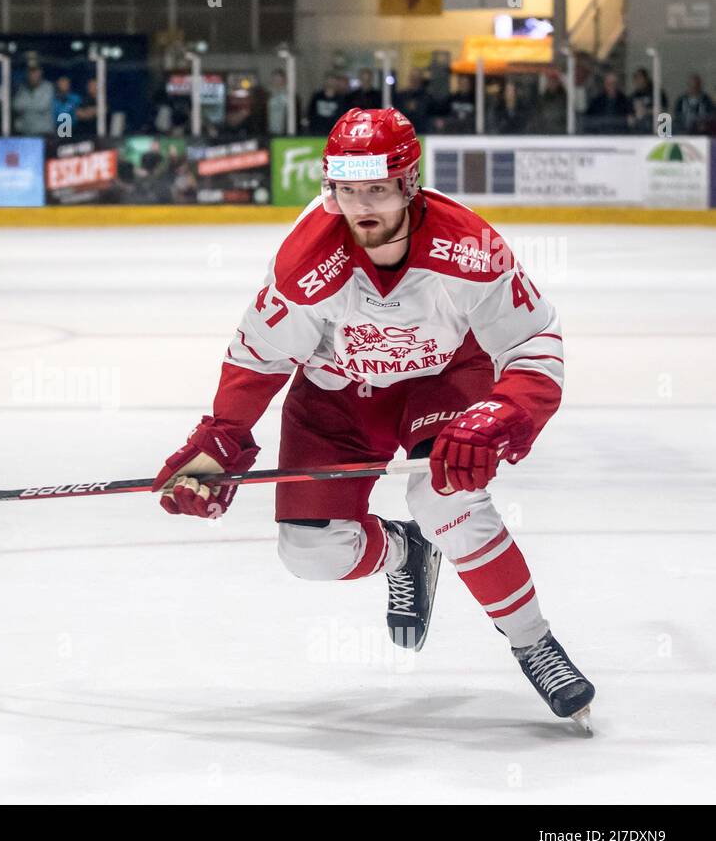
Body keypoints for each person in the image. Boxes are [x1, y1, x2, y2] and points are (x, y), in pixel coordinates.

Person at [153, 107, 595, 730]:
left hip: (443, 378)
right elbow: (258, 359)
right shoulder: (306, 261)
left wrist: (505, 410)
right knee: (310, 552)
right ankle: (403, 552)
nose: (361, 206)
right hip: (337, 395)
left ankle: (532, 641)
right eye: (347, 190)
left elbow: (533, 339)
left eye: (378, 189)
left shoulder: (468, 246)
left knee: (445, 497)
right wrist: (219, 444)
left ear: (410, 183)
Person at [12, 61, 53, 135]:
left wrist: (25, 106)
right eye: (30, 72)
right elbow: (16, 106)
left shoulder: (48, 87)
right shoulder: (21, 88)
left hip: (43, 133)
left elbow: (42, 106)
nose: (32, 75)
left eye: (35, 71)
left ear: (40, 72)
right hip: (23, 132)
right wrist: (32, 104)